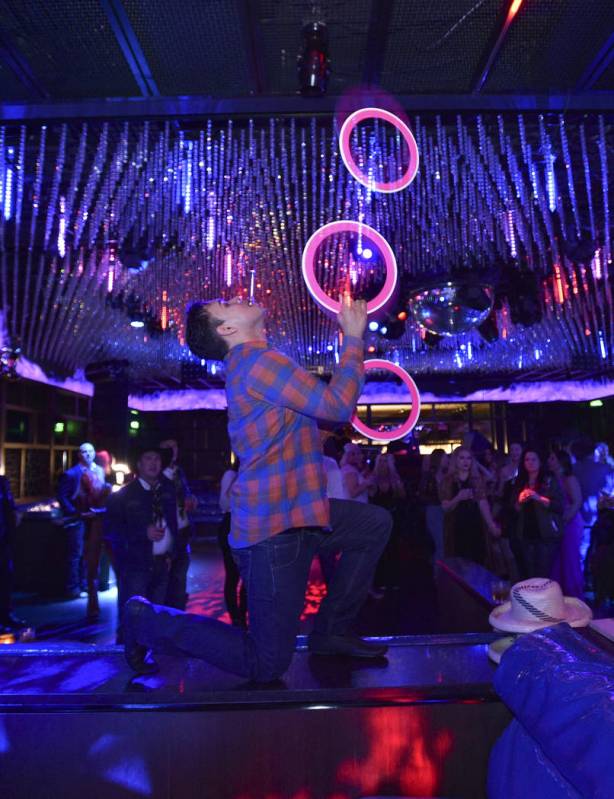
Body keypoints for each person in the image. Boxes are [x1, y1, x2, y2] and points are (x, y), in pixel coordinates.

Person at [122, 294, 392, 679]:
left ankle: (330, 631)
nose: (236, 296)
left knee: (373, 524)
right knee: (265, 664)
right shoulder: (258, 362)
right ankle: (147, 620)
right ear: (227, 329)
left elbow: (310, 422)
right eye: (226, 303)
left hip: (299, 512)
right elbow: (336, 407)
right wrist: (352, 338)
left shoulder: (255, 363)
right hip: (274, 530)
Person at [105, 444, 181, 643]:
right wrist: (142, 532)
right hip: (136, 566)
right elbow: (112, 531)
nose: (153, 463)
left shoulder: (167, 491)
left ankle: (151, 656)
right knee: (133, 617)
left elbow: (174, 523)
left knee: (156, 616)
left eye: (156, 459)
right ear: (138, 464)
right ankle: (127, 658)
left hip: (162, 564)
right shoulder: (123, 496)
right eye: (148, 458)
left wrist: (173, 552)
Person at [56, 442, 108, 600]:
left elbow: (101, 491)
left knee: (91, 552)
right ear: (79, 454)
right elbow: (62, 496)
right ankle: (73, 588)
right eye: (84, 452)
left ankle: (88, 584)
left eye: (90, 451)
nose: (88, 454)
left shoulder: (99, 470)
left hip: (95, 517)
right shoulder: (71, 474)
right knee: (76, 553)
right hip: (78, 518)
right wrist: (75, 512)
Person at [439, 446, 500, 566]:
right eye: (462, 458)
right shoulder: (447, 480)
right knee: (460, 562)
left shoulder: (476, 479)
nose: (466, 461)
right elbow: (445, 508)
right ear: (455, 460)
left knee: (478, 559)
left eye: (469, 458)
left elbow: (483, 503)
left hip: (475, 523)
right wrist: (458, 498)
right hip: (456, 526)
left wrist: (491, 525)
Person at [512, 447, 564, 580]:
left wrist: (538, 498)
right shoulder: (520, 482)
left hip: (546, 535)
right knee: (529, 574)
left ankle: (544, 600)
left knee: (543, 574)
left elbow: (559, 505)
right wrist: (520, 500)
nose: (530, 462)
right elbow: (514, 509)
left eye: (534, 459)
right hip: (526, 534)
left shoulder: (549, 480)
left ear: (540, 461)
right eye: (527, 459)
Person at [159, 438, 197, 610]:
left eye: (174, 446)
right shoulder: (157, 474)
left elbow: (186, 494)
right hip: (167, 535)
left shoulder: (178, 471)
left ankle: (177, 618)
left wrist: (191, 499)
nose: (172, 450)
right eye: (168, 447)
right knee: (166, 583)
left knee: (180, 579)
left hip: (182, 532)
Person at [548, 450, 585, 598]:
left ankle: (574, 598)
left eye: (552, 458)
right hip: (556, 523)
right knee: (557, 561)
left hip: (569, 523)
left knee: (569, 561)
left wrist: (564, 520)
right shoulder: (552, 479)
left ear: (561, 461)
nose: (549, 461)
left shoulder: (569, 479)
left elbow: (577, 502)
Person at [217, 459, 247, 627]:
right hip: (231, 524)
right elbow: (224, 504)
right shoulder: (231, 474)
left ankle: (243, 616)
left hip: (247, 525)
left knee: (248, 577)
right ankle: (236, 618)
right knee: (233, 575)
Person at [371, 452, 407, 591]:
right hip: (378, 520)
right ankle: (380, 581)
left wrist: (393, 472)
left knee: (393, 549)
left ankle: (393, 580)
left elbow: (402, 495)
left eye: (386, 461)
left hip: (393, 517)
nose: (384, 464)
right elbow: (371, 495)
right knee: (380, 550)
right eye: (381, 461)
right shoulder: (373, 478)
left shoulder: (394, 478)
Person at [0, 475, 26, 632]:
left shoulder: (3, 482)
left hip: (4, 539)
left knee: (5, 578)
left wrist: (15, 515)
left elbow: (10, 506)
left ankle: (7, 614)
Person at [418, 448, 448, 562]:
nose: (447, 459)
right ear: (439, 459)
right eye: (445, 457)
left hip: (445, 509)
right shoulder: (429, 476)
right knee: (439, 543)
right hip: (433, 510)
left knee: (444, 543)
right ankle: (438, 574)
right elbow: (422, 494)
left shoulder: (447, 476)